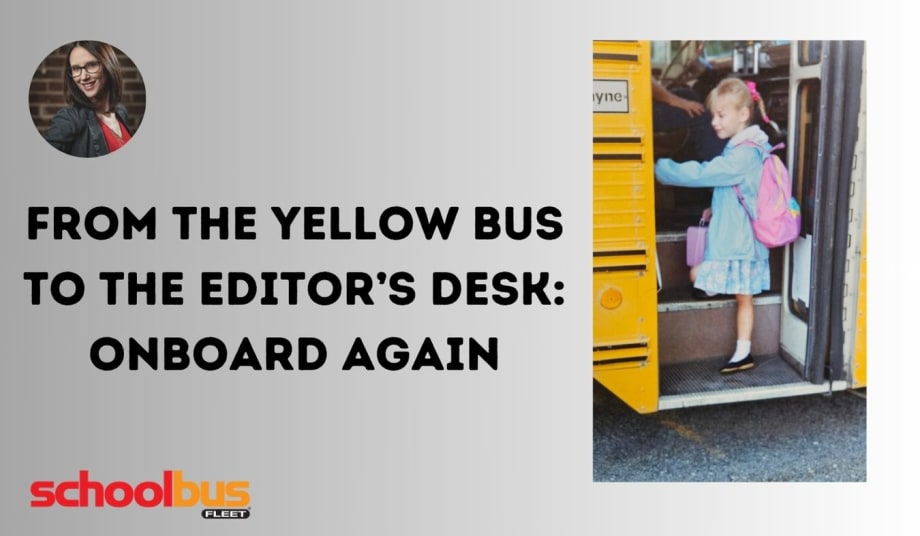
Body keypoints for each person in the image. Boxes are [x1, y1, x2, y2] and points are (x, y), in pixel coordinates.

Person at [654, 78, 773, 374]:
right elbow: (738, 188)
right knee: (742, 297)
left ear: (743, 115)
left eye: (721, 116)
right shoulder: (745, 148)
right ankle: (742, 351)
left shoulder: (744, 153)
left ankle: (743, 352)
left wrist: (658, 168)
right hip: (737, 238)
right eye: (713, 116)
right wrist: (716, 205)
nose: (714, 123)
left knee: (703, 276)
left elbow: (706, 173)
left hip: (740, 243)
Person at [45, 41, 133, 157]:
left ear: (108, 65)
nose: (83, 77)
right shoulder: (69, 119)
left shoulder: (121, 112)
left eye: (91, 65)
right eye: (76, 68)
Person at [652, 79, 726, 162]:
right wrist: (677, 101)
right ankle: (716, 162)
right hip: (641, 113)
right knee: (699, 115)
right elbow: (646, 82)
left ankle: (694, 156)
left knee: (688, 94)